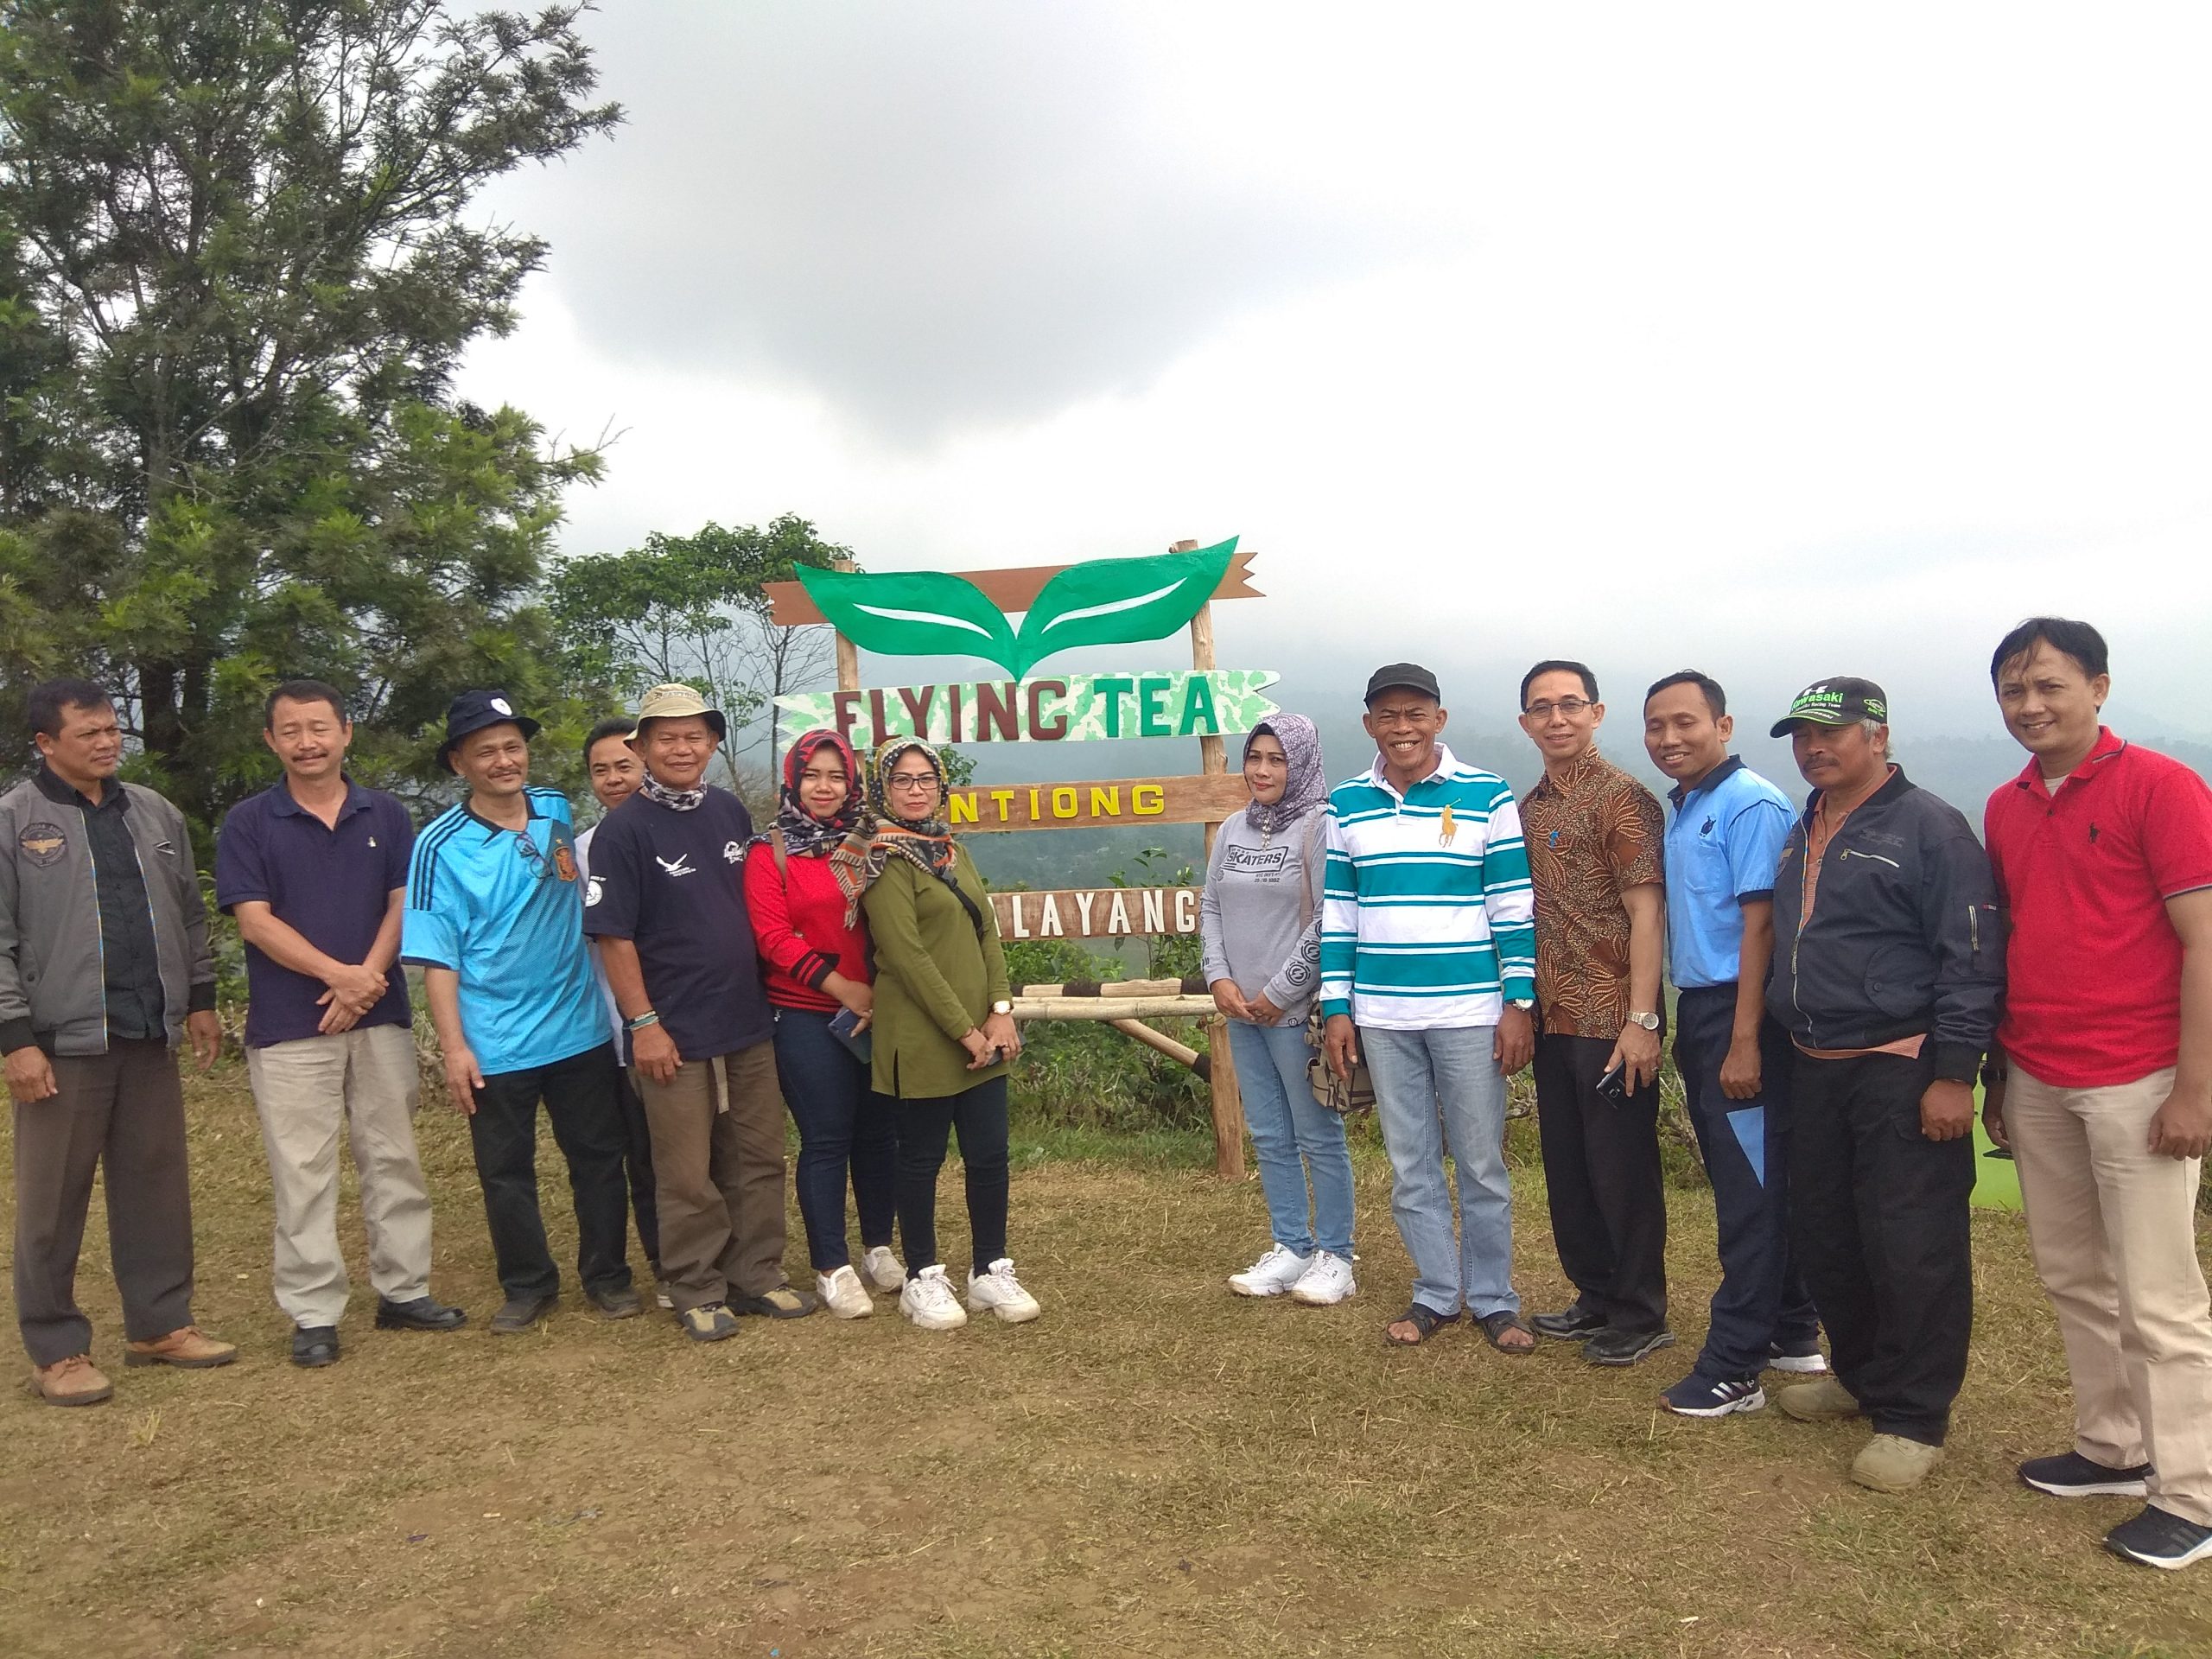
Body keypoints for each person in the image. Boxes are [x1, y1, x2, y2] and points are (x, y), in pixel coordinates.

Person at [1979, 618, 2212, 1571]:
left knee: (2158, 1296)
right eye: (2012, 691)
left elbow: (2203, 941)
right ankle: (2112, 1447)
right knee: (2073, 1275)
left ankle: (2192, 1493)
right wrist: (1999, 1072)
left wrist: (2193, 1089)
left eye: (2049, 687)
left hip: (2140, 1075)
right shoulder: (2004, 804)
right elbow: (2012, 940)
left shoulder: (2161, 787)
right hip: (2038, 1069)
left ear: (2099, 688)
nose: (2030, 706)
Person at [1765, 677, 2001, 1492]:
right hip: (1815, 1067)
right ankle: (1862, 1377)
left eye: (1831, 733)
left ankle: (1914, 1415)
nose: (1813, 748)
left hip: (1901, 1068)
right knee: (1830, 1232)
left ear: (1879, 735)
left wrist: (1952, 1077)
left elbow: (1970, 962)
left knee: (1913, 1245)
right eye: (1802, 736)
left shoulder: (1930, 828)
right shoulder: (1806, 827)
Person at [215, 680, 466, 1368]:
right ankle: (314, 1310)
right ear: (272, 741)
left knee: (393, 1157)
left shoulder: (384, 812)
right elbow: (254, 921)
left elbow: (402, 903)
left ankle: (404, 1290)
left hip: (378, 1014)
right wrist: (339, 976)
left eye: (319, 728)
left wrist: (366, 981)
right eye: (291, 731)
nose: (307, 742)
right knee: (303, 1169)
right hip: (291, 1024)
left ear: (346, 732)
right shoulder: (249, 823)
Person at [2, 677, 234, 1405]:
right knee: (52, 1201)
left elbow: (190, 915)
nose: (106, 743)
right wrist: (16, 1038)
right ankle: (58, 1348)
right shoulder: (15, 821)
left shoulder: (154, 814)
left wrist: (199, 999)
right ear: (46, 743)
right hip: (62, 1043)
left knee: (155, 1186)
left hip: (147, 1031)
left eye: (112, 731)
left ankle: (160, 1323)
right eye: (88, 734)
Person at [402, 690, 640, 1333]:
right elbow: (437, 956)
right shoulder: (438, 846)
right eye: (487, 751)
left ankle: (608, 1276)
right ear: (460, 763)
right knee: (506, 1170)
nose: (504, 761)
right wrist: (454, 1047)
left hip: (578, 1026)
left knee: (597, 1156)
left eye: (513, 747)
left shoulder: (556, 810)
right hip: (494, 1036)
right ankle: (528, 1284)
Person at [583, 683, 815, 1340]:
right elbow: (613, 937)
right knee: (685, 1169)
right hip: (669, 1031)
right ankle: (695, 1285)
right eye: (666, 737)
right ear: (643, 747)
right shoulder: (624, 830)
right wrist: (642, 1024)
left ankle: (758, 1274)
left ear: (712, 743)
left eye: (694, 736)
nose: (681, 748)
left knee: (758, 1156)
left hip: (746, 1018)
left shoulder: (728, 812)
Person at [1320, 664, 1536, 1352]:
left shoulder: (1487, 795)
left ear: (1439, 720)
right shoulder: (1346, 803)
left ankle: (1494, 1299)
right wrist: (1336, 1005)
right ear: (1369, 727)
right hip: (1382, 1015)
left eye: (1415, 714)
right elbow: (1339, 910)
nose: (1402, 728)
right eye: (1389, 716)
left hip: (1471, 1012)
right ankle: (1437, 1293)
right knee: (1410, 1162)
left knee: (1480, 1163)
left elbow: (1511, 905)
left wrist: (1519, 1000)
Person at [1642, 671, 1824, 1419]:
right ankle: (1791, 1329)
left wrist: (1744, 1039)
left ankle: (1736, 1364)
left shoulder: (1750, 803)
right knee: (1753, 1177)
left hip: (1738, 1012)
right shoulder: (1691, 806)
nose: (1669, 739)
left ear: (1723, 723)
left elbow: (1762, 929)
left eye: (1685, 722)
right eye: (1656, 727)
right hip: (1709, 1007)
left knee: (1750, 1194)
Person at [847, 736, 1039, 1331]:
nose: (914, 789)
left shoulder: (950, 850)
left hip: (984, 1027)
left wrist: (1001, 1011)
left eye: (925, 779)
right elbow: (906, 956)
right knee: (921, 1157)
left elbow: (987, 931)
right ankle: (923, 1276)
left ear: (941, 786)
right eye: (901, 780)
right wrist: (965, 1031)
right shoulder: (880, 858)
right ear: (882, 788)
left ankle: (989, 1270)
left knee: (989, 1155)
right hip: (923, 1033)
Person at [1515, 661, 1672, 1367]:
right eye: (1542, 707)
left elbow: (1647, 914)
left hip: (1612, 1018)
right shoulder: (1529, 808)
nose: (1557, 718)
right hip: (1553, 1017)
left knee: (1622, 1171)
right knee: (1569, 1167)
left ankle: (1641, 1312)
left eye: (1570, 704)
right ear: (1526, 723)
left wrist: (1644, 1020)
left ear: (1596, 713)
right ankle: (1595, 1294)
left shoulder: (1625, 800)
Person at [746, 728, 905, 1319]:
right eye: (813, 774)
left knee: (878, 1135)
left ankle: (878, 1247)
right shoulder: (772, 852)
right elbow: (771, 936)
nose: (825, 787)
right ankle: (831, 1265)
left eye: (837, 776)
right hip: (807, 1013)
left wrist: (881, 995)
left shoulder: (871, 845)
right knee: (827, 1138)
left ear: (853, 784)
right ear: (793, 779)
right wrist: (843, 988)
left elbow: (892, 924)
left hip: (879, 1011)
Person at [1201, 715, 1357, 1306]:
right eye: (1255, 757)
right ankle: (1291, 1246)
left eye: (1277, 759)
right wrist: (1220, 979)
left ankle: (1336, 1255)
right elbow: (1211, 905)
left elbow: (1329, 918)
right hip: (1241, 1009)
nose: (1263, 770)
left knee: (1318, 1134)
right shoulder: (1235, 828)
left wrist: (1278, 991)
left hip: (1294, 1012)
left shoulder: (1320, 827)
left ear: (1301, 763)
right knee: (1268, 1133)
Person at [573, 715, 664, 1304]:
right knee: (645, 1155)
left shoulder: (691, 827)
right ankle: (665, 1262)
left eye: (623, 766)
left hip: (704, 1019)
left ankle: (720, 1253)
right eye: (600, 770)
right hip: (619, 1026)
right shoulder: (581, 849)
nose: (614, 779)